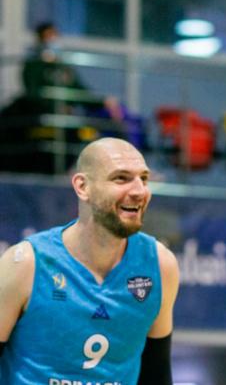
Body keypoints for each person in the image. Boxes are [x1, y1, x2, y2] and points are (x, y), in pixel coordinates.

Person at [0, 137, 179, 385]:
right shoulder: (25, 263)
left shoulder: (160, 265)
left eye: (144, 178)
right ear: (82, 187)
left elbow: (156, 375)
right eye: (121, 178)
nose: (139, 191)